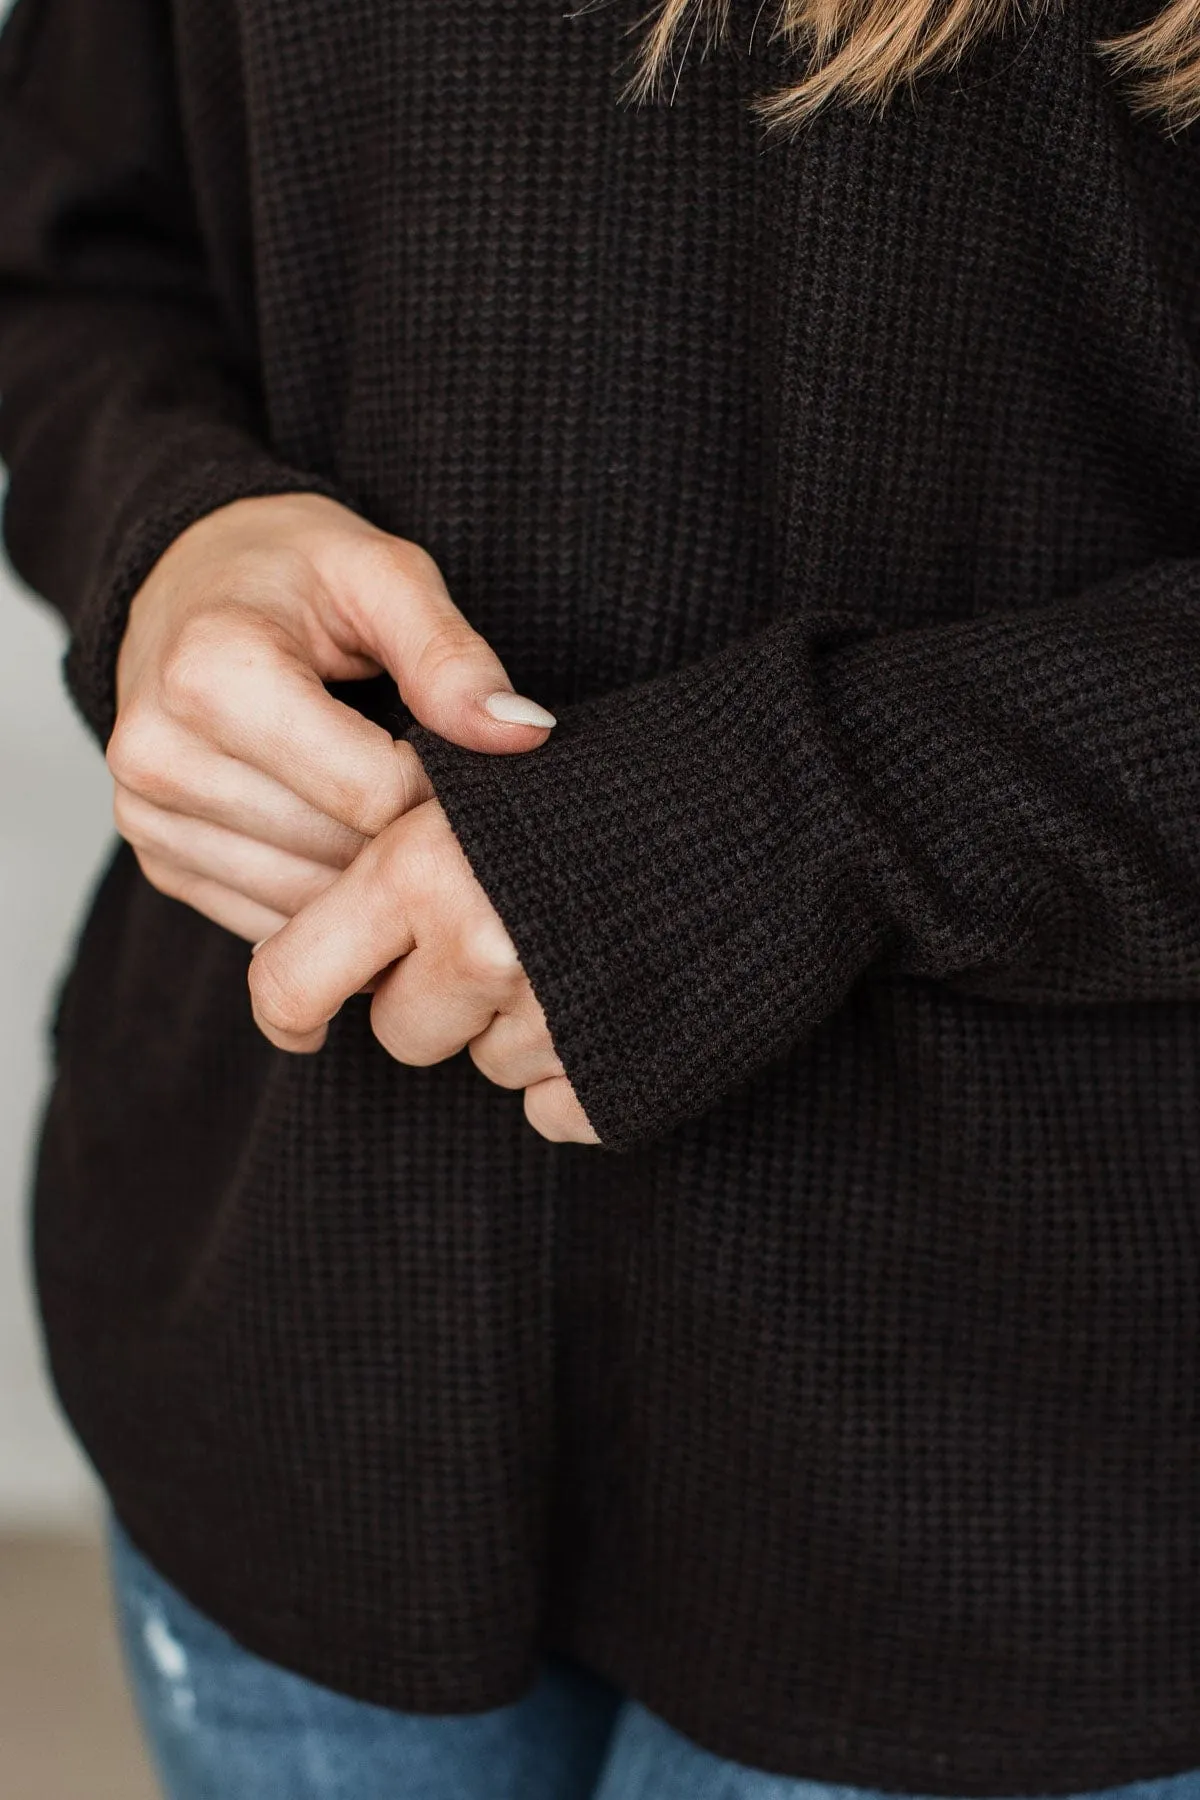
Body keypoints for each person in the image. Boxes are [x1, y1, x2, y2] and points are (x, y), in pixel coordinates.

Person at [3, 0, 1200, 1794]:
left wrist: (784, 825)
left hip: (1036, 1483)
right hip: (289, 1323)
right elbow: (68, 243)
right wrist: (172, 534)